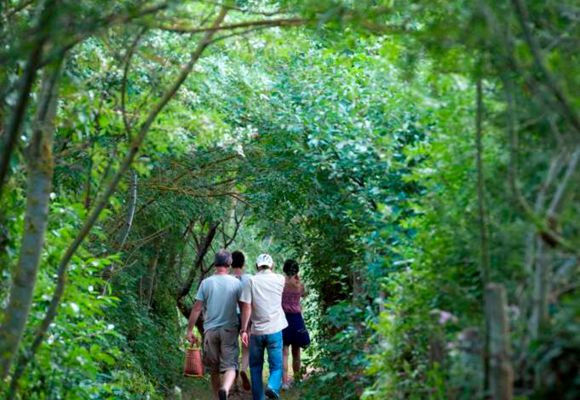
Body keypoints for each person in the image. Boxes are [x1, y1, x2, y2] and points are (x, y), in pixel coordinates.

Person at [186, 250, 242, 400]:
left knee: (214, 368)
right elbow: (243, 307)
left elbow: (197, 308)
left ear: (215, 264)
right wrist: (245, 329)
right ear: (229, 264)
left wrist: (190, 330)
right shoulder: (236, 283)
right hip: (229, 329)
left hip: (210, 331)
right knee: (230, 366)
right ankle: (225, 388)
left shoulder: (206, 283)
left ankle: (218, 397)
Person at [240, 253, 287, 400]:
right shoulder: (280, 279)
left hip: (257, 332)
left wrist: (243, 330)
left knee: (255, 368)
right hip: (275, 330)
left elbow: (246, 307)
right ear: (272, 266)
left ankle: (259, 398)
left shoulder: (251, 281)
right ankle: (273, 387)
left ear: (256, 266)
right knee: (276, 366)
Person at [281, 259, 310, 389]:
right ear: (297, 270)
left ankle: (285, 382)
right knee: (296, 352)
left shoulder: (281, 283)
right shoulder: (299, 284)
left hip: (283, 318)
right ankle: (297, 380)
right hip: (297, 319)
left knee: (284, 352)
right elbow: (305, 294)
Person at [231, 250, 251, 391]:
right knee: (246, 347)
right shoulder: (250, 278)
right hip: (245, 315)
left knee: (232, 348)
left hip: (231, 316)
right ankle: (244, 368)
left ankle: (233, 380)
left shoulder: (228, 279)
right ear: (243, 263)